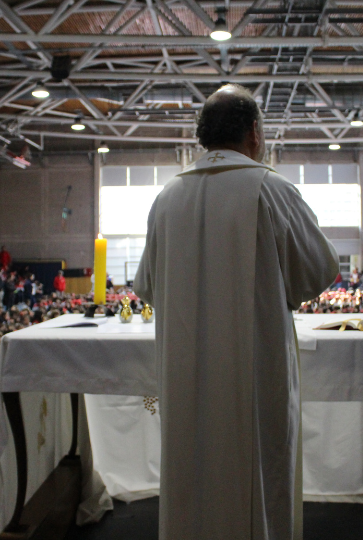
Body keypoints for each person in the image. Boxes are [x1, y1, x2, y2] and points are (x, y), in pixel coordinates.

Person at [134, 84, 339, 540]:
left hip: (185, 376)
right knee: (258, 477)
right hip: (255, 374)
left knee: (190, 476)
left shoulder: (167, 197)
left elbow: (147, 286)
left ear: (202, 136)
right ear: (255, 132)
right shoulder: (272, 189)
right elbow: (316, 273)